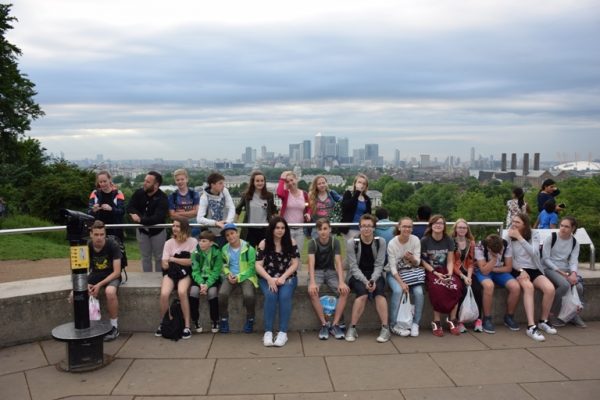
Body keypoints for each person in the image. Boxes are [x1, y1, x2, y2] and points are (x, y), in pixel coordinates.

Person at [506, 212, 557, 341]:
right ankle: (531, 326)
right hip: (518, 269)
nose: (514, 224)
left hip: (534, 269)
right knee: (529, 287)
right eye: (513, 221)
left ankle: (543, 321)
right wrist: (521, 270)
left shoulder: (534, 234)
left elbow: (534, 254)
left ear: (525, 224)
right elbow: (510, 259)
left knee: (550, 289)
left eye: (517, 222)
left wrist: (520, 238)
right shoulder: (509, 236)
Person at [344, 214, 390, 343]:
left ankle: (385, 328)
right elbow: (353, 267)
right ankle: (352, 328)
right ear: (359, 227)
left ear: (374, 228)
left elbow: (379, 264)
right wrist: (366, 281)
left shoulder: (380, 241)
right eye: (363, 226)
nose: (366, 229)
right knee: (362, 294)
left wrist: (373, 280)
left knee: (379, 294)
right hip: (357, 275)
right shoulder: (352, 242)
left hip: (375, 273)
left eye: (369, 226)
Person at [255, 216, 300, 347]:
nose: (280, 230)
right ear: (272, 229)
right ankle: (268, 332)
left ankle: (283, 333)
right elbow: (258, 265)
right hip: (267, 277)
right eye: (277, 228)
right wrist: (270, 279)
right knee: (271, 296)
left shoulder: (291, 242)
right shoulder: (264, 243)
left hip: (287, 277)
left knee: (284, 297)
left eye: (283, 228)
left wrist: (283, 277)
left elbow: (295, 263)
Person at [307, 218, 350, 340]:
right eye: (320, 229)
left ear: (330, 229)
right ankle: (324, 324)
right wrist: (312, 282)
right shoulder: (313, 243)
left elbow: (338, 262)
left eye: (325, 228)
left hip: (331, 272)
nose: (323, 232)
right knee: (313, 291)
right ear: (317, 231)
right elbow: (311, 263)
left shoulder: (335, 242)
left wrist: (341, 282)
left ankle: (335, 324)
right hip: (317, 272)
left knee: (344, 291)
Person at [155, 217, 197, 339]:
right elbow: (164, 264)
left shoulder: (193, 242)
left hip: (185, 273)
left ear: (184, 228)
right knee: (164, 294)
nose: (174, 228)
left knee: (182, 292)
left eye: (177, 226)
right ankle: (164, 322)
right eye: (173, 226)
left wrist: (173, 259)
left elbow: (191, 262)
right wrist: (179, 261)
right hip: (171, 273)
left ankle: (187, 326)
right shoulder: (169, 243)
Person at [421, 215, 463, 337]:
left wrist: (449, 274)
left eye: (440, 223)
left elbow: (450, 260)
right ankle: (436, 321)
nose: (438, 225)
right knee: (437, 288)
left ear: (444, 226)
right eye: (435, 223)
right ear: (431, 225)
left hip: (445, 269)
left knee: (456, 285)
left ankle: (452, 319)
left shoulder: (448, 240)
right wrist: (435, 272)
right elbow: (423, 261)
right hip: (431, 270)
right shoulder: (425, 240)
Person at [542, 216, 586, 327]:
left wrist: (574, 273)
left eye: (566, 226)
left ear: (573, 228)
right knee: (565, 285)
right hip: (549, 268)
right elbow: (545, 259)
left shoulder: (574, 242)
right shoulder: (551, 238)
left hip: (565, 269)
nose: (563, 228)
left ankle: (573, 315)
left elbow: (573, 261)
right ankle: (552, 314)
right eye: (561, 225)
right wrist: (561, 272)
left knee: (579, 287)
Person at [474, 234, 521, 333]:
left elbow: (508, 268)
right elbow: (484, 271)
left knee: (515, 287)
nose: (500, 253)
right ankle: (487, 318)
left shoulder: (505, 245)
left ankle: (509, 316)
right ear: (488, 248)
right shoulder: (480, 247)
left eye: (500, 251)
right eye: (496, 252)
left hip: (499, 270)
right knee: (489, 286)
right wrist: (494, 258)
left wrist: (492, 268)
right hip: (484, 271)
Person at [386, 217, 423, 337]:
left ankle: (415, 323)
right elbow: (392, 268)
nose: (407, 229)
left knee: (419, 292)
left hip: (410, 273)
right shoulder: (392, 243)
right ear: (399, 227)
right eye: (404, 226)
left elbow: (417, 262)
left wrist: (412, 258)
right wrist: (401, 283)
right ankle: (393, 324)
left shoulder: (415, 240)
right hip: (395, 274)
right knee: (398, 291)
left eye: (409, 227)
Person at [219, 223, 258, 333]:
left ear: (237, 233)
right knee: (222, 294)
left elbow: (252, 268)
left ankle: (250, 318)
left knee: (249, 295)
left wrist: (239, 276)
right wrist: (228, 274)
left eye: (232, 233)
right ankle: (224, 319)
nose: (230, 236)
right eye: (227, 235)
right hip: (231, 276)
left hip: (246, 276)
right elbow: (224, 265)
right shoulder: (225, 249)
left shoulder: (249, 248)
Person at [127, 171, 169, 272]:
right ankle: (147, 278)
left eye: (148, 182)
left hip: (158, 232)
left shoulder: (163, 198)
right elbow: (130, 207)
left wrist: (140, 219)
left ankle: (159, 279)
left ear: (156, 185)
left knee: (159, 257)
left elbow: (158, 218)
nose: (144, 183)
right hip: (142, 231)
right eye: (145, 180)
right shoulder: (139, 193)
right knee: (145, 257)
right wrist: (135, 215)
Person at [86, 220, 121, 341]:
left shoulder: (113, 245)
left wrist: (99, 285)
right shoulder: (87, 245)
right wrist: (85, 284)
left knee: (110, 292)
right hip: (95, 274)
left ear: (105, 234)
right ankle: (87, 326)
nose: (99, 238)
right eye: (96, 234)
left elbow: (117, 272)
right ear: (91, 234)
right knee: (78, 292)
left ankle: (114, 327)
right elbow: (82, 268)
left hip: (111, 275)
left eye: (102, 234)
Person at [190, 230, 223, 333]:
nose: (201, 243)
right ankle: (195, 319)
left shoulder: (217, 253)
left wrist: (207, 285)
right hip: (199, 278)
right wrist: (201, 284)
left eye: (204, 241)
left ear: (211, 243)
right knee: (193, 291)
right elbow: (195, 271)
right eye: (200, 240)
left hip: (211, 278)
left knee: (212, 292)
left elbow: (216, 272)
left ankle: (215, 320)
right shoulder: (195, 253)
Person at [235, 171, 277, 247]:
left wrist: (277, 222)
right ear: (253, 182)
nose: (260, 183)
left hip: (265, 229)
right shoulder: (246, 195)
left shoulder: (269, 196)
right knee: (249, 252)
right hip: (249, 230)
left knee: (264, 252)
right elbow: (238, 209)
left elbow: (273, 210)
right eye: (257, 181)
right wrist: (235, 223)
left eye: (262, 181)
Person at [451, 219, 478, 333]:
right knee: (461, 288)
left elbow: (471, 262)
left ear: (467, 230)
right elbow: (452, 263)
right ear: (456, 229)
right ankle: (459, 320)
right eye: (460, 227)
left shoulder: (471, 243)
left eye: (464, 228)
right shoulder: (451, 242)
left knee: (477, 288)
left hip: (468, 271)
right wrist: (463, 277)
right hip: (456, 272)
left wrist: (469, 277)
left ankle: (478, 318)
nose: (462, 229)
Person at [197, 172, 235, 247]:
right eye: (220, 183)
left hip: (226, 232)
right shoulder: (204, 197)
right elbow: (199, 218)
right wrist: (215, 223)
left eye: (223, 183)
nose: (223, 185)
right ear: (212, 185)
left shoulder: (225, 191)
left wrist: (228, 222)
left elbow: (231, 207)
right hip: (213, 235)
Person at [87, 170, 126, 242]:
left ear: (109, 180)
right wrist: (93, 210)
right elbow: (89, 212)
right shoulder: (95, 193)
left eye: (105, 181)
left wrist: (111, 209)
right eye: (100, 182)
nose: (102, 184)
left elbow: (122, 211)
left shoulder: (118, 193)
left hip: (115, 231)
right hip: (98, 231)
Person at [277, 170, 310, 252]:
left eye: (292, 180)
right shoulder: (286, 193)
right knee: (286, 253)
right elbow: (279, 193)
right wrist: (282, 178)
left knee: (298, 254)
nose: (290, 183)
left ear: (296, 179)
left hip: (300, 229)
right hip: (287, 229)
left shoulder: (304, 194)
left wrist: (308, 214)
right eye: (287, 182)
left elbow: (308, 207)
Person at [168, 169, 200, 237]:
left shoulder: (194, 194)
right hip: (179, 228)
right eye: (177, 180)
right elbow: (172, 215)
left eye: (182, 179)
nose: (180, 182)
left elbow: (196, 212)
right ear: (175, 181)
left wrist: (178, 213)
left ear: (187, 179)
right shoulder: (172, 195)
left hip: (193, 228)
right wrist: (190, 213)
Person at [340, 173, 372, 241]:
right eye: (359, 182)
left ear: (366, 186)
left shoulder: (367, 199)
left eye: (364, 184)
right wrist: (357, 193)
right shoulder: (348, 193)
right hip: (349, 229)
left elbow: (369, 215)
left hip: (362, 230)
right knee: (351, 247)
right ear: (355, 183)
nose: (361, 185)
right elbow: (345, 207)